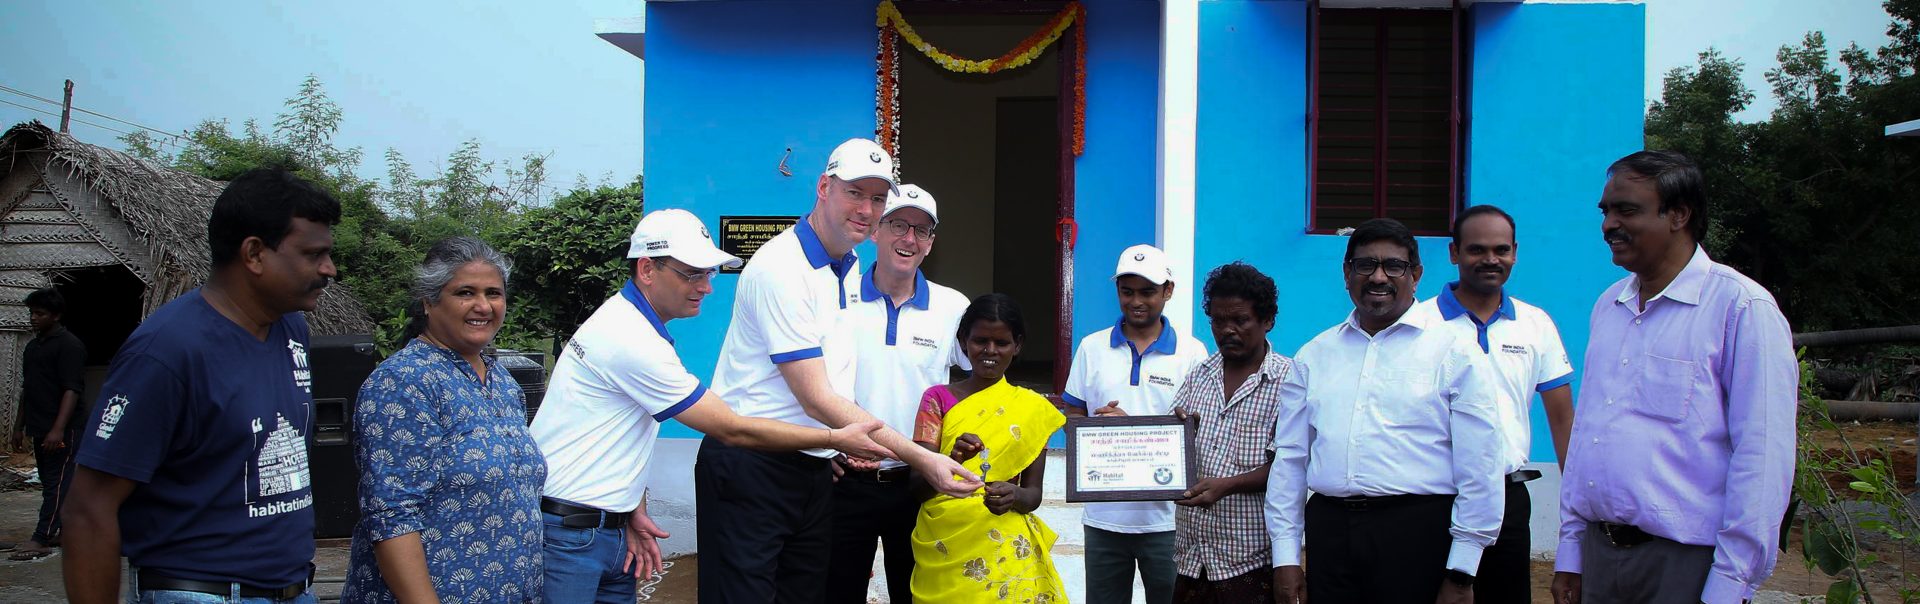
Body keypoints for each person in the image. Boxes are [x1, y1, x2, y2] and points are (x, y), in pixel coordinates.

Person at [532, 208, 891, 603]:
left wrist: (629, 508)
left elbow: (613, 435)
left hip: (601, 526)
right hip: (570, 534)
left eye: (709, 273)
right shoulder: (629, 339)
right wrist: (833, 437)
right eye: (692, 274)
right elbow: (730, 427)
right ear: (648, 269)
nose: (706, 287)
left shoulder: (633, 325)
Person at [704, 138, 981, 601]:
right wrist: (922, 457)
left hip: (813, 465)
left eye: (877, 198)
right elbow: (818, 397)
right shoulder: (782, 268)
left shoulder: (846, 268)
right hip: (755, 463)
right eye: (855, 193)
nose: (866, 208)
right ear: (824, 187)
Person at [63, 168, 338, 604]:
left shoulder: (292, 330)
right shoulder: (168, 352)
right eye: (313, 254)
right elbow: (89, 508)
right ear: (254, 254)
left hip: (293, 589)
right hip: (201, 593)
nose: (330, 269)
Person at [1551, 151, 1796, 604]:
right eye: (1606, 210)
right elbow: (1589, 435)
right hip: (1601, 557)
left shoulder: (1741, 308)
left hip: (1688, 565)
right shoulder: (1610, 306)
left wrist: (1730, 583)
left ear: (1679, 215)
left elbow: (1763, 458)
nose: (1608, 224)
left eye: (1627, 209)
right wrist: (1571, 551)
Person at [1266, 217, 1503, 604]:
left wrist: (1461, 572)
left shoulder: (1455, 352)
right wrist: (1286, 557)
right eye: (1365, 265)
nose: (1378, 277)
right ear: (1346, 273)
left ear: (1416, 275)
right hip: (1332, 535)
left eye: (1394, 266)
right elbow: (1291, 459)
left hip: (1418, 534)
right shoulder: (1314, 356)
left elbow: (1481, 465)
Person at [341, 237, 545, 603]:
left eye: (494, 293)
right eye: (465, 292)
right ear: (428, 301)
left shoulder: (503, 383)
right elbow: (392, 518)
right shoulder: (404, 382)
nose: (483, 306)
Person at [1418, 204, 1575, 603]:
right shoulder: (1417, 324)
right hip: (1432, 500)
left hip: (1508, 502)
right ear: (1454, 253)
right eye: (1477, 250)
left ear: (1515, 252)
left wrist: (1578, 516)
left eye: (1501, 250)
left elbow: (1562, 420)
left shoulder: (1535, 323)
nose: (1491, 260)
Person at [830, 184, 971, 602]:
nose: (908, 239)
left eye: (921, 230)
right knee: (836, 592)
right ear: (875, 230)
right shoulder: (837, 295)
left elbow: (976, 380)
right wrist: (822, 451)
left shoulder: (953, 307)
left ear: (930, 244)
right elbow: (809, 380)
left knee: (916, 594)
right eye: (897, 225)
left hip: (916, 482)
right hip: (845, 481)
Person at [1062, 243, 1208, 604]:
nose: (1136, 301)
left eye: (1148, 292)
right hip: (1103, 518)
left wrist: (1129, 429)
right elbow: (1072, 415)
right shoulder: (1091, 348)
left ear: (1168, 291)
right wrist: (1097, 434)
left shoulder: (1192, 353)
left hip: (1169, 521)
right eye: (1127, 292)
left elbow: (1199, 430)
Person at [908, 293, 1067, 603]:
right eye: (980, 340)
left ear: (1017, 345)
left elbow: (1033, 494)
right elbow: (916, 487)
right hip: (945, 543)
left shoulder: (1033, 410)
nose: (990, 351)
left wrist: (1015, 495)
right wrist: (951, 459)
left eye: (1002, 343)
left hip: (1003, 546)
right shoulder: (937, 400)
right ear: (963, 340)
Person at [1168, 262, 1293, 603]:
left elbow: (1290, 467)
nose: (1228, 330)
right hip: (1192, 558)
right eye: (1219, 321)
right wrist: (1175, 429)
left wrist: (1227, 486)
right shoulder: (1199, 375)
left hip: (1250, 561)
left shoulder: (1289, 381)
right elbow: (1166, 447)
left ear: (1267, 321)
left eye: (1240, 320)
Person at [14, 287, 85, 561]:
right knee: (51, 483)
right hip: (39, 426)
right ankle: (65, 531)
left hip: (64, 428)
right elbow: (27, 389)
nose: (33, 318)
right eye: (32, 313)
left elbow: (71, 389)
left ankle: (41, 537)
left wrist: (58, 429)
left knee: (55, 483)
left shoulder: (69, 346)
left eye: (39, 313)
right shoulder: (33, 347)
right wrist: (19, 426)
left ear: (55, 316)